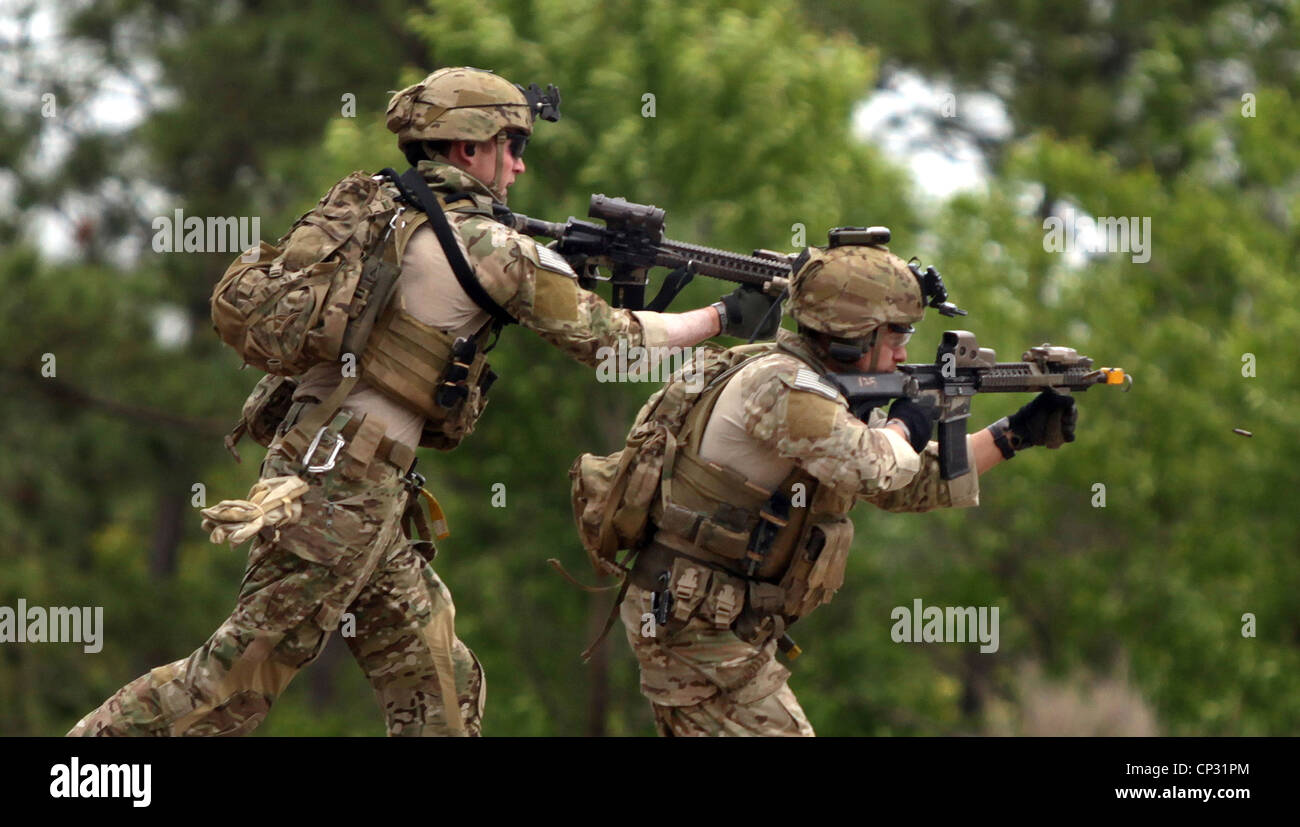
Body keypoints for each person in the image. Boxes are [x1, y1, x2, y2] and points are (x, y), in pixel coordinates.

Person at [68, 66, 777, 737]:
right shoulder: (485, 244)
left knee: (439, 678)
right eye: (513, 146)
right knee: (235, 680)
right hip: (336, 491)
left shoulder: (386, 209)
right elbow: (614, 342)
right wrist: (722, 319)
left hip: (349, 480)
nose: (520, 166)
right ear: (470, 146)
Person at [613, 234, 1078, 736]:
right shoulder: (785, 386)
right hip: (697, 629)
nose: (904, 353)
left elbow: (909, 483)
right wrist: (908, 424)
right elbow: (872, 466)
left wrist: (1014, 434)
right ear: (852, 336)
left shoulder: (824, 391)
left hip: (713, 624)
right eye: (895, 335)